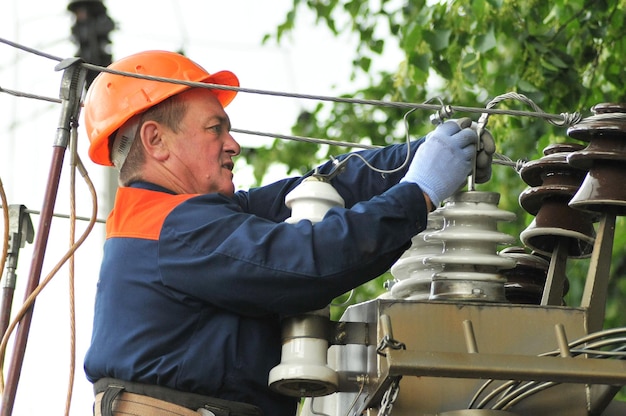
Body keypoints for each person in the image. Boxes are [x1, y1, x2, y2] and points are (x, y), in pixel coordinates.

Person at [82, 50, 489, 416]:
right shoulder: (173, 229)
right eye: (214, 129)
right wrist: (418, 193)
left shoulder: (180, 220)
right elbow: (307, 263)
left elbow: (318, 190)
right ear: (156, 141)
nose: (233, 145)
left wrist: (416, 157)